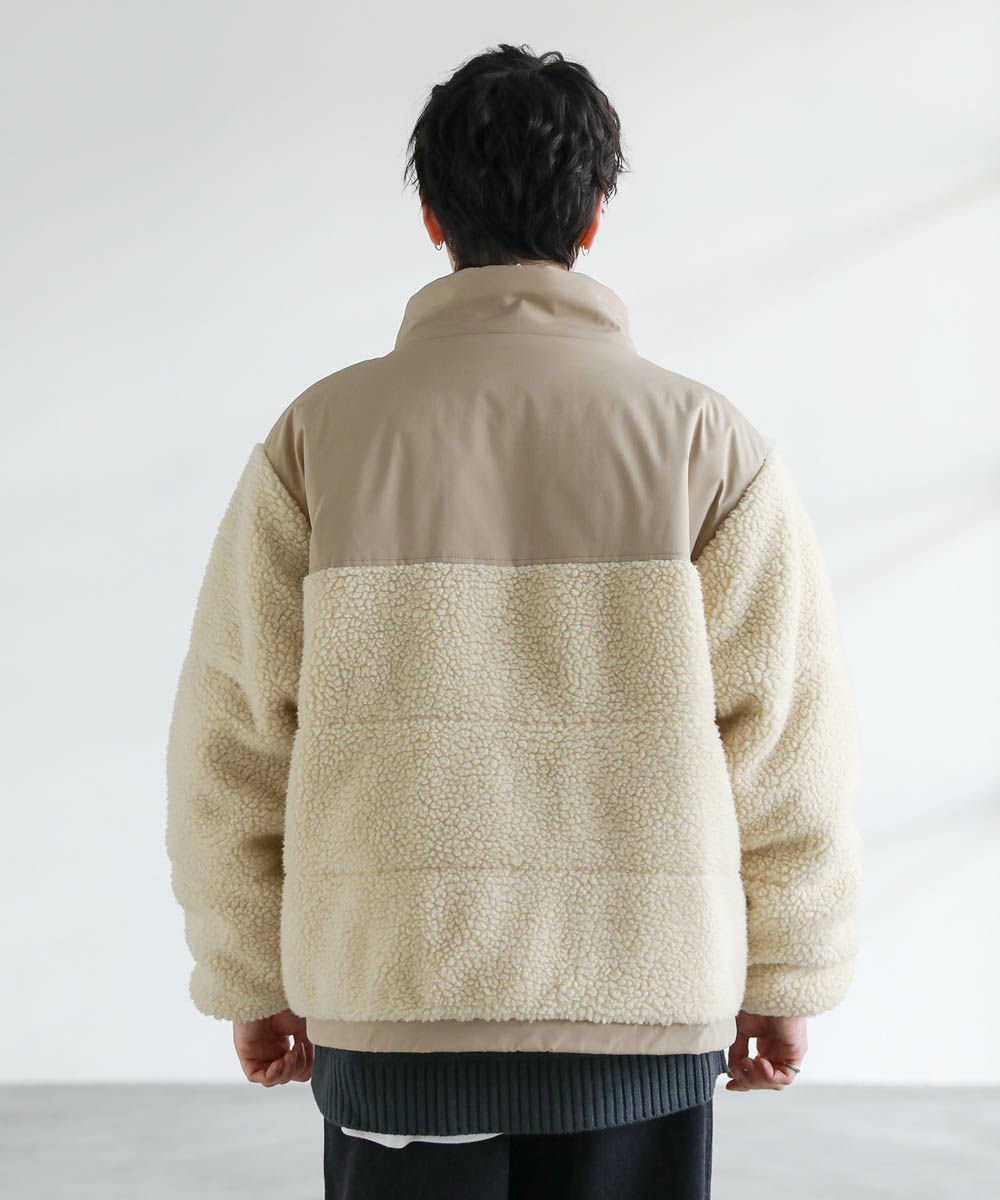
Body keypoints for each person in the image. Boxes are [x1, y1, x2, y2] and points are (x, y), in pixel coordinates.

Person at [165, 42, 862, 1200]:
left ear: (433, 217)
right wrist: (788, 976)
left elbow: (233, 737)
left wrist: (246, 968)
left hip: (391, 996)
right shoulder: (706, 443)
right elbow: (787, 739)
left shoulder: (319, 439)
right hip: (640, 1009)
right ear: (593, 216)